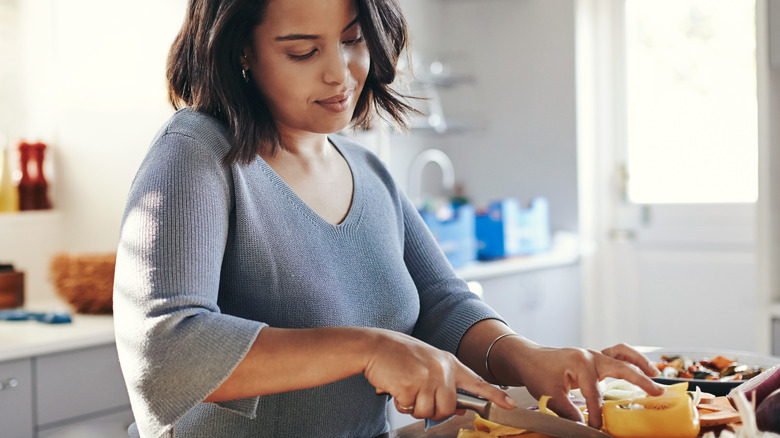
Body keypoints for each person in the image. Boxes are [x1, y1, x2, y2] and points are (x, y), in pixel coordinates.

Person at [112, 0, 664, 436]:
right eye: (303, 51)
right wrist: (370, 348)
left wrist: (527, 356)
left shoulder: (365, 168)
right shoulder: (196, 153)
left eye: (352, 40)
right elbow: (166, 349)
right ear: (241, 52)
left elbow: (443, 305)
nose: (340, 73)